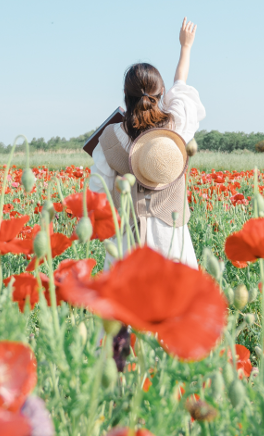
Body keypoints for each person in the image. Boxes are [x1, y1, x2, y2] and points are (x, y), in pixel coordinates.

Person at [88, 18, 205, 267]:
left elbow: (99, 193)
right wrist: (186, 47)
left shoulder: (109, 138)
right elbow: (181, 88)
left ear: (124, 93)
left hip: (128, 240)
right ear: (161, 92)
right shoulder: (177, 129)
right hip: (172, 236)